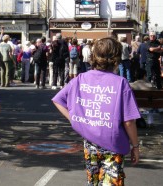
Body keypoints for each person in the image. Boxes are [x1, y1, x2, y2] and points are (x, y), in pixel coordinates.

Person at [52, 37, 140, 185]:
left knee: (93, 181)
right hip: (113, 143)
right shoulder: (120, 83)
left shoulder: (80, 78)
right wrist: (136, 146)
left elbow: (57, 100)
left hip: (90, 142)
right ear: (116, 58)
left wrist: (73, 118)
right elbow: (129, 122)